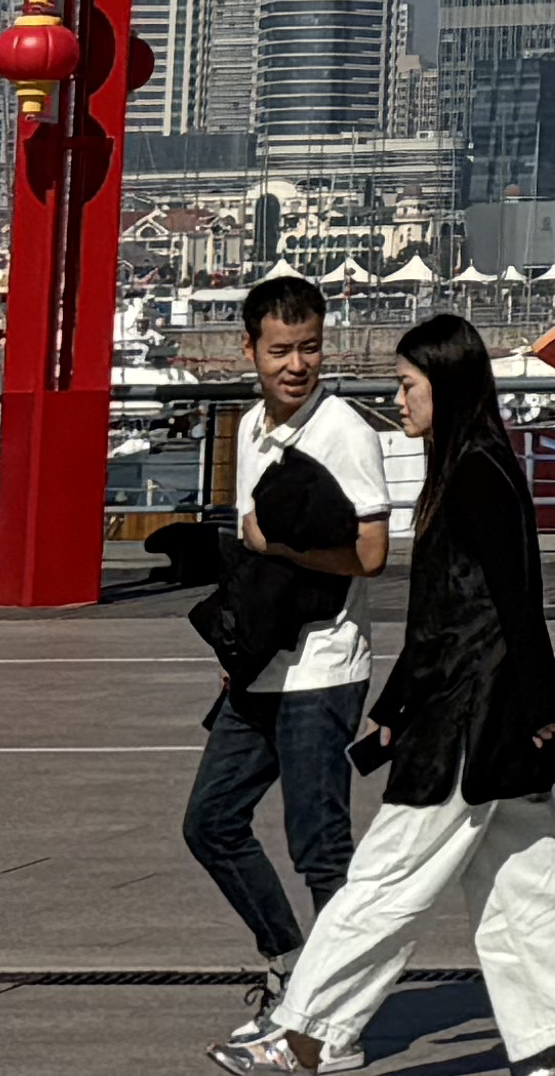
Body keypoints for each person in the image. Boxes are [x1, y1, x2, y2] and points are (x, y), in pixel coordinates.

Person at [223, 314, 555, 1076]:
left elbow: (513, 599)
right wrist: (394, 706)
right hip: (483, 710)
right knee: (522, 882)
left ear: (447, 384)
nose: (398, 399)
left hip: (471, 721)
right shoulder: (471, 464)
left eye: (408, 386)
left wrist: (541, 706)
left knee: (385, 880)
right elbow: (447, 610)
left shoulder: (476, 474)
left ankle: (309, 1031)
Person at [188, 273, 394, 1009]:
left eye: (309, 348)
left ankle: (334, 1008)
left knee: (320, 847)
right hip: (260, 666)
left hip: (325, 666)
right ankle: (289, 957)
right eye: (280, 350)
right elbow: (252, 550)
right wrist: (236, 644)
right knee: (210, 823)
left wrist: (278, 547)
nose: (296, 365)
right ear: (250, 348)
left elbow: (371, 553)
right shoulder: (248, 428)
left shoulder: (345, 431)